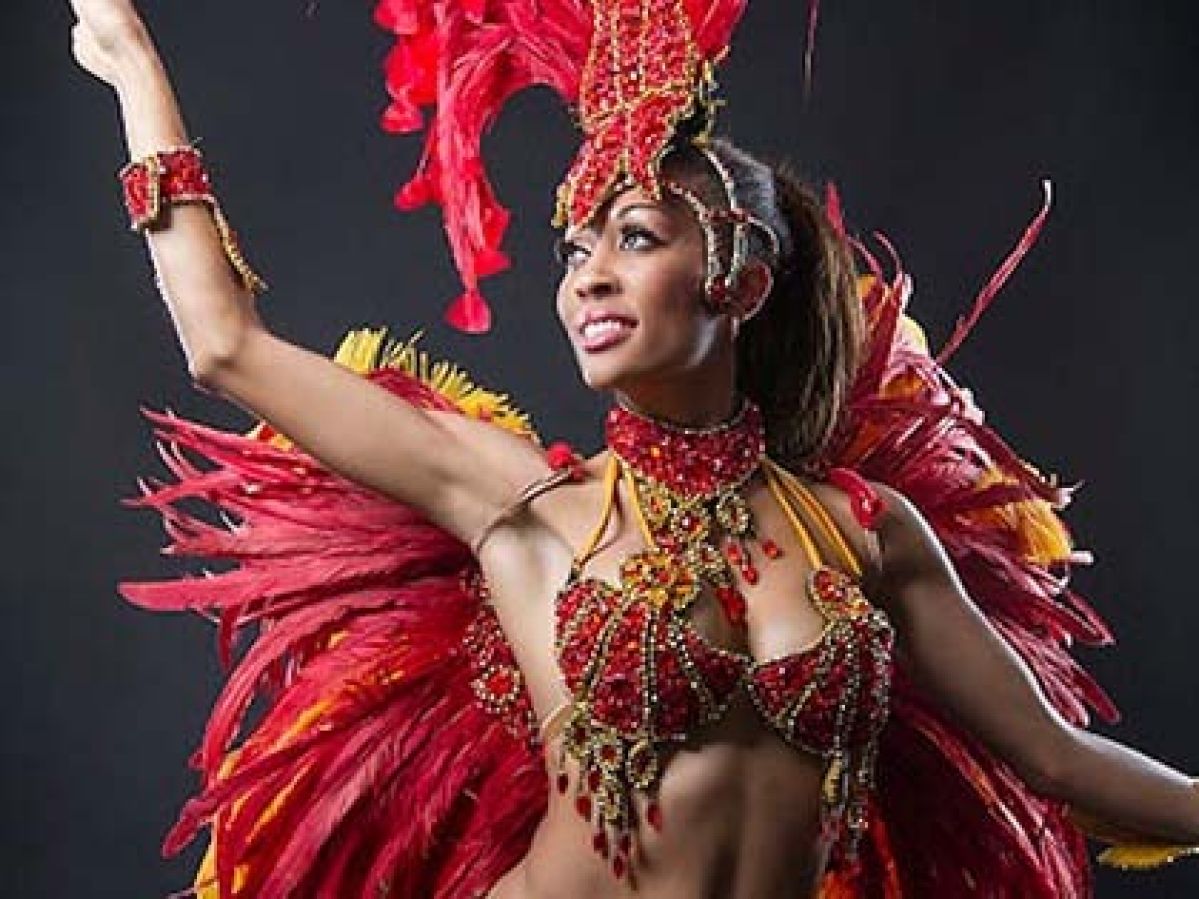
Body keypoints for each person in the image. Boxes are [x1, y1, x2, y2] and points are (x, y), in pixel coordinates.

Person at [70, 0, 1199, 896]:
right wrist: (133, 66)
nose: (588, 278)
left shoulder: (863, 531)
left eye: (636, 238)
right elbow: (226, 346)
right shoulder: (521, 504)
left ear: (740, 281)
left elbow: (1056, 760)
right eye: (575, 251)